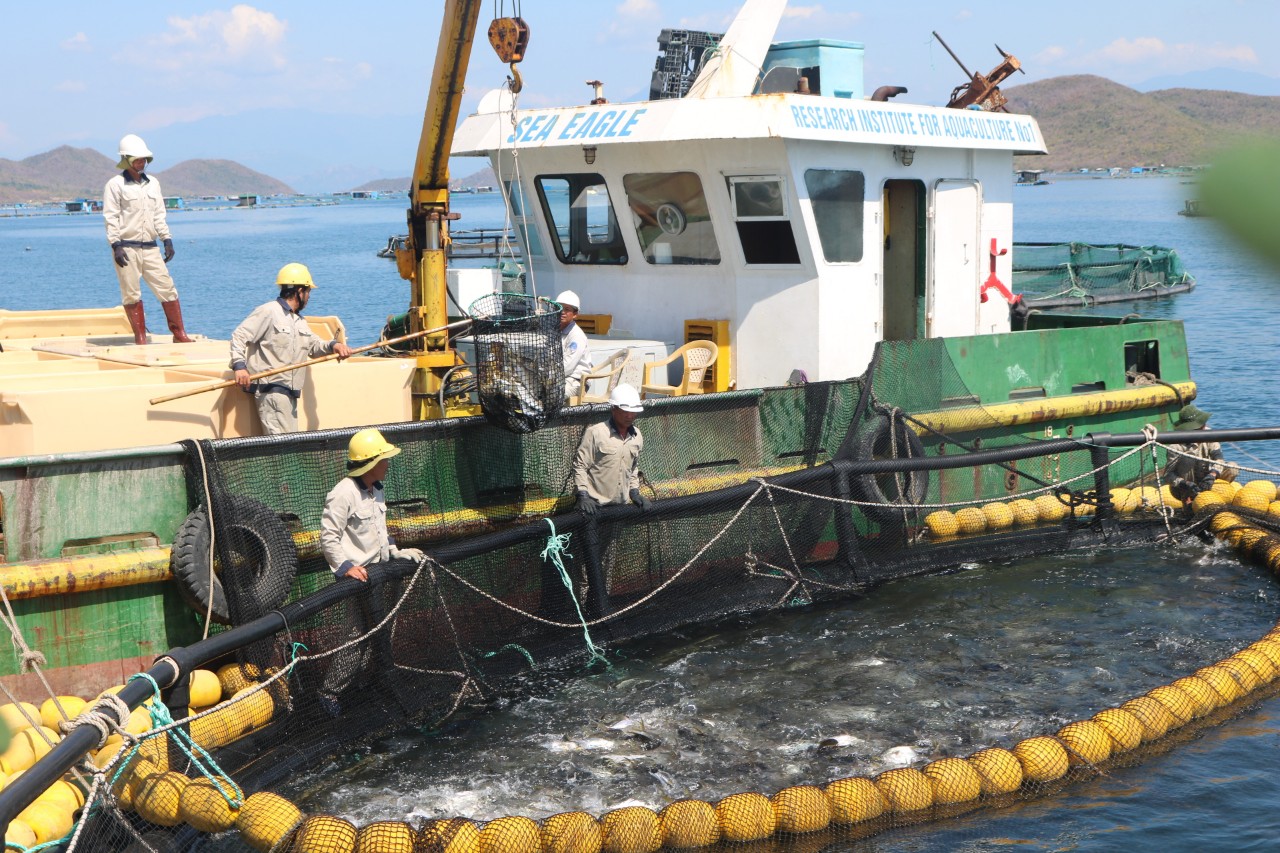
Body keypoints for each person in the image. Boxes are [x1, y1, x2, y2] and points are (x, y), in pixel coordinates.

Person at [317, 428, 425, 715]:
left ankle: (365, 680)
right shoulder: (343, 494)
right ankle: (330, 693)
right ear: (370, 463)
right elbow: (328, 537)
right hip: (358, 580)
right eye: (384, 459)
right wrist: (345, 568)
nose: (388, 464)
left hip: (380, 574)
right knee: (356, 634)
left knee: (380, 629)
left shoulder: (376, 489)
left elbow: (379, 530)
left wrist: (396, 551)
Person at [229, 262, 353, 435]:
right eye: (308, 291)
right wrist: (239, 366)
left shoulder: (299, 322)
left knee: (289, 441)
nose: (309, 296)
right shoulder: (269, 312)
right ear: (299, 291)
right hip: (271, 391)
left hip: (290, 394)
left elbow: (314, 345)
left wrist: (335, 345)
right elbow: (240, 335)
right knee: (283, 446)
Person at [103, 134, 194, 345]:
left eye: (144, 159)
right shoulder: (115, 185)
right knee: (131, 293)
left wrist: (167, 239)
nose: (141, 163)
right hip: (126, 247)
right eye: (137, 159)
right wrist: (115, 245)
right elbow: (111, 217)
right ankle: (140, 337)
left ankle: (179, 334)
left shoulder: (153, 184)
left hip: (151, 247)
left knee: (167, 287)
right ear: (126, 159)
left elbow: (159, 215)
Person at [573, 383, 651, 515]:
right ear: (614, 409)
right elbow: (580, 466)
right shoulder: (595, 433)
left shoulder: (637, 436)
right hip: (594, 508)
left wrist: (634, 493)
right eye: (625, 411)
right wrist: (583, 496)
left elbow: (632, 468)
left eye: (633, 412)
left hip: (620, 509)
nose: (630, 416)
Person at [1166, 403, 1226, 503]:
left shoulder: (1209, 434)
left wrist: (1212, 474)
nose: (1204, 427)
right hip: (1184, 487)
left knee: (1232, 468)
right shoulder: (1175, 446)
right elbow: (1168, 475)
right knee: (1188, 458)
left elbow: (1218, 458)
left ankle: (1221, 497)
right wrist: (1184, 483)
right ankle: (1188, 502)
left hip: (1207, 480)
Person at [556, 290, 592, 402]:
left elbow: (567, 367)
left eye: (567, 309)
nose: (562, 312)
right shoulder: (554, 330)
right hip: (559, 378)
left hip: (576, 382)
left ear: (575, 314)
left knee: (552, 395)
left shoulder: (576, 335)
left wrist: (547, 377)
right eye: (560, 308)